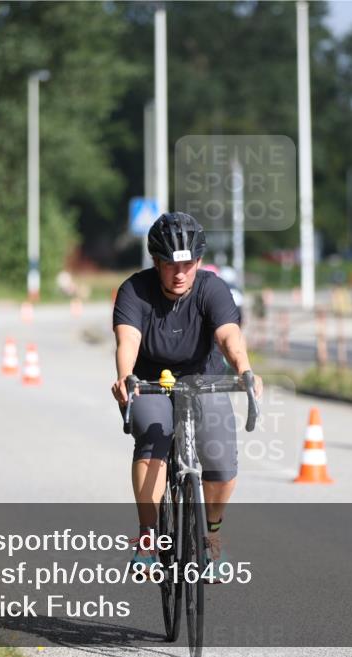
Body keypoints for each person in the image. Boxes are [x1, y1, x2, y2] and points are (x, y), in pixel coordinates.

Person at [111, 212, 262, 571]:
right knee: (152, 440)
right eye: (170, 265)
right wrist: (125, 377)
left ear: (198, 261)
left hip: (203, 379)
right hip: (150, 383)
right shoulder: (134, 290)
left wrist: (245, 370)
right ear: (156, 262)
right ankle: (148, 539)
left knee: (221, 462)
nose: (179, 274)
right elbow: (127, 339)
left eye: (187, 265)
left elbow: (229, 335)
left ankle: (212, 537)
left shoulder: (212, 288)